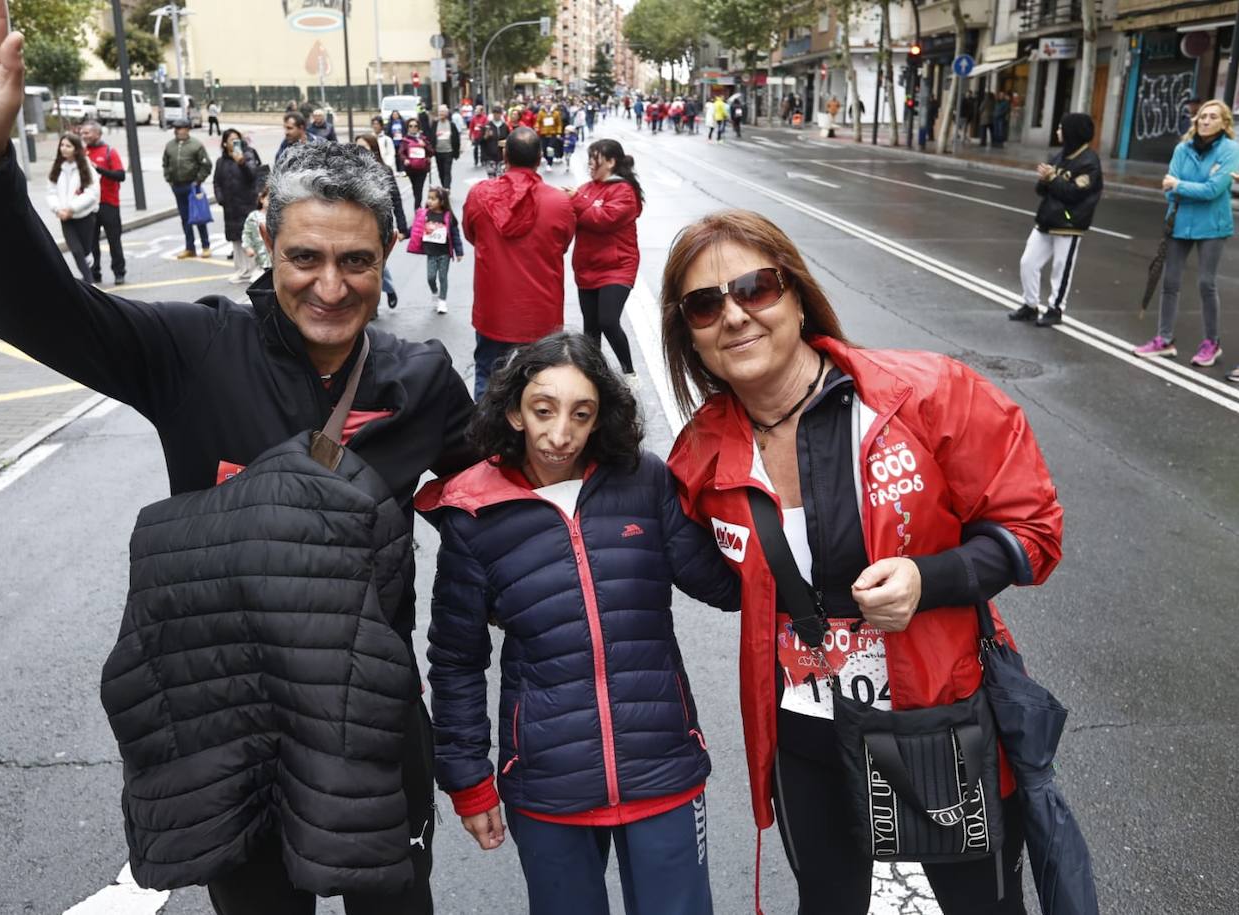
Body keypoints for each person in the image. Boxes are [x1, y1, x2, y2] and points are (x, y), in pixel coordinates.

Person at [0, 4, 481, 910]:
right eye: (305, 256)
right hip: (231, 727)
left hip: (369, 723)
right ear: (265, 245)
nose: (330, 284)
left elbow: (511, 491)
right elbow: (31, 309)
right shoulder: (192, 350)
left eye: (356, 261)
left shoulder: (421, 378)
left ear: (386, 254)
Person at [659, 209, 1063, 915]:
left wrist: (928, 579)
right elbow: (730, 580)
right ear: (687, 332)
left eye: (756, 287)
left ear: (796, 293)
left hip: (937, 723)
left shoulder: (923, 394)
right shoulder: (699, 454)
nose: (734, 316)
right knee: (830, 903)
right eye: (704, 303)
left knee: (980, 907)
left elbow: (1032, 528)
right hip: (803, 737)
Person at [418, 332, 736, 915]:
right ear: (514, 410)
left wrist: (749, 484)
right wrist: (467, 778)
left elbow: (725, 585)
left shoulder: (644, 481)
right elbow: (457, 660)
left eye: (581, 414)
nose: (560, 434)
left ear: (600, 420)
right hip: (546, 782)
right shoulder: (472, 513)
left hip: (662, 766)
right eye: (543, 410)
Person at [462, 127, 576, 398]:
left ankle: (486, 438)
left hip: (493, 310)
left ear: (505, 156)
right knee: (540, 389)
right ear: (539, 158)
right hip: (541, 313)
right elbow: (562, 245)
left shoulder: (480, 195)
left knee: (488, 376)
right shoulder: (559, 202)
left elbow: (471, 234)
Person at [1134, 99, 1239, 369]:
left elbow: (1213, 190)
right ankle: (1164, 339)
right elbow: (1169, 189)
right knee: (1170, 283)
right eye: (1202, 116)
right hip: (1179, 223)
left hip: (1212, 227)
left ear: (1224, 123)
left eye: (1212, 117)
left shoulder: (1231, 150)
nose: (1205, 121)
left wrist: (1181, 185)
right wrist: (1185, 187)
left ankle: (1211, 343)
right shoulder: (1183, 148)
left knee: (1206, 283)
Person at [1008, 113, 1102, 328]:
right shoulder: (1059, 156)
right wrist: (1044, 179)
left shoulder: (1089, 163)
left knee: (1061, 268)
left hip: (1070, 223)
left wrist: (1052, 179)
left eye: (1061, 128)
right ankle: (1030, 306)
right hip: (1047, 219)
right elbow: (1042, 190)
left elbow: (1073, 193)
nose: (1058, 131)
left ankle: (1055, 309)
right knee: (1028, 262)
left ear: (1072, 132)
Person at [568, 139, 643, 382]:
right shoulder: (587, 188)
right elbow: (572, 219)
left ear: (610, 162)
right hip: (587, 268)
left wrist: (576, 200)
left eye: (595, 158)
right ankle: (594, 380)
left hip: (617, 267)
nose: (590, 163)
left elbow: (604, 219)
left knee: (608, 321)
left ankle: (629, 373)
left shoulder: (624, 191)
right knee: (591, 329)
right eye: (590, 157)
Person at [355, 131, 409, 310]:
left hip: (379, 226)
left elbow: (396, 199)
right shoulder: (350, 172)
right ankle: (376, 301)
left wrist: (402, 228)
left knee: (375, 263)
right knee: (364, 264)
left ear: (373, 149)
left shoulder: (384, 171)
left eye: (363, 147)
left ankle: (380, 295)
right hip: (356, 227)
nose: (359, 151)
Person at [213, 128, 265, 283]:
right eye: (231, 140)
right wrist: (220, 198)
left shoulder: (248, 154)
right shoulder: (221, 161)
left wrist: (242, 163)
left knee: (251, 236)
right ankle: (242, 270)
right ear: (224, 143)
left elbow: (253, 177)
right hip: (230, 206)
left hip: (247, 203)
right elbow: (217, 181)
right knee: (235, 239)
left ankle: (257, 268)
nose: (235, 143)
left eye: (237, 139)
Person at [46, 132, 98, 283]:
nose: (64, 148)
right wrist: (58, 209)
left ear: (76, 149)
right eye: (62, 145)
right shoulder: (57, 168)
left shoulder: (86, 168)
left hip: (84, 216)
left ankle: (88, 269)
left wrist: (72, 208)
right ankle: (90, 282)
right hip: (65, 218)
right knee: (76, 250)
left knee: (86, 251)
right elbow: (51, 192)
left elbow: (92, 193)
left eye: (68, 146)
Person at [79, 120, 127, 285]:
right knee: (91, 242)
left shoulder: (109, 152)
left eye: (87, 133)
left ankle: (119, 272)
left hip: (109, 203)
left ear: (98, 134)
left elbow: (121, 175)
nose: (84, 136)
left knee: (114, 240)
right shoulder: (81, 153)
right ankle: (95, 273)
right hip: (90, 205)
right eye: (82, 133)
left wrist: (98, 169)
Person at [406, 185, 463, 314]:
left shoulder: (448, 217)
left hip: (444, 253)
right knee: (431, 277)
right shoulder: (425, 214)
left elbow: (455, 234)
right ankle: (434, 292)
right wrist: (404, 234)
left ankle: (442, 301)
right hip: (431, 253)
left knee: (443, 277)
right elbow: (416, 228)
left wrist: (459, 252)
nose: (429, 201)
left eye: (433, 199)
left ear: (442, 201)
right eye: (428, 198)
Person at [162, 117, 212, 258]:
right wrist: (169, 180)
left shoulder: (196, 145)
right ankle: (190, 247)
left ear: (187, 129)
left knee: (199, 216)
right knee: (185, 218)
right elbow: (165, 163)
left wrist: (199, 180)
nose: (177, 131)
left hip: (192, 185)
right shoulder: (170, 146)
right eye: (176, 129)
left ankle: (205, 245)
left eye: (180, 128)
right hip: (177, 186)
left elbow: (206, 164)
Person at [398, 117, 434, 210]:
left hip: (422, 169)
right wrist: (405, 159)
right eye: (410, 126)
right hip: (411, 169)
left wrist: (424, 145)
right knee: (415, 189)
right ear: (408, 127)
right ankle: (418, 207)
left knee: (419, 189)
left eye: (415, 126)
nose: (413, 128)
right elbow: (401, 152)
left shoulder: (423, 139)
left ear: (418, 127)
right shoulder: (405, 140)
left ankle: (417, 209)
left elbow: (431, 152)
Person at [239, 187, 270, 282]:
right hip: (261, 256)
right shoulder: (254, 216)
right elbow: (246, 233)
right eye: (269, 199)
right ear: (261, 199)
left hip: (277, 256)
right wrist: (247, 247)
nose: (271, 202)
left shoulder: (280, 215)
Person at [427, 104, 461, 190]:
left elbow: (456, 139)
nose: (441, 114)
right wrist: (430, 151)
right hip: (438, 152)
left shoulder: (451, 124)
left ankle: (447, 188)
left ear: (447, 113)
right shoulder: (435, 124)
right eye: (440, 112)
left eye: (443, 112)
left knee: (447, 171)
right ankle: (443, 186)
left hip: (448, 151)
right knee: (441, 171)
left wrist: (456, 152)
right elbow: (431, 137)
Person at [480, 104, 512, 179]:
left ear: (501, 114)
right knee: (492, 179)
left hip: (502, 156)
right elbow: (481, 141)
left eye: (498, 113)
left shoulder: (505, 126)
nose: (496, 115)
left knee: (501, 178)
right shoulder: (487, 126)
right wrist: (486, 136)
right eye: (494, 113)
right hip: (489, 156)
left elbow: (509, 139)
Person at [536, 103, 563, 168]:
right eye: (546, 103)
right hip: (543, 134)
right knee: (544, 149)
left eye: (549, 103)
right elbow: (538, 121)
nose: (548, 105)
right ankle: (547, 158)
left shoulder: (556, 113)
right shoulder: (541, 113)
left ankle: (549, 163)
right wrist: (537, 127)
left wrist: (559, 133)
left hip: (553, 133)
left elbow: (559, 124)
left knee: (550, 149)